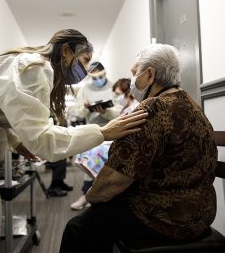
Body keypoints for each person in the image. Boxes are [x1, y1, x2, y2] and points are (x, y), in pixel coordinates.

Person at [0, 29, 148, 253]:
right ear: (67, 51)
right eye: (85, 60)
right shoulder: (37, 69)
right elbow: (43, 140)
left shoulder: (32, 63)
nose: (86, 71)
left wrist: (16, 141)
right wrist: (103, 132)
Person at [60, 44, 217, 253]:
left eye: (135, 73)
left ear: (150, 74)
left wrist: (91, 197)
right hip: (201, 212)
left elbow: (112, 181)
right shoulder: (191, 104)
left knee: (78, 227)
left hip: (165, 218)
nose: (132, 80)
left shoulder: (152, 108)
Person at [70, 62, 122, 210]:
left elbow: (121, 111)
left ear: (105, 73)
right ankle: (86, 195)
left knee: (110, 166)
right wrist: (86, 108)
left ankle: (108, 199)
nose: (98, 80)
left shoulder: (114, 87)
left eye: (100, 76)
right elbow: (76, 111)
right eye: (94, 77)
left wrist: (106, 112)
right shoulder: (85, 89)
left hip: (114, 130)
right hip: (93, 131)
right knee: (89, 165)